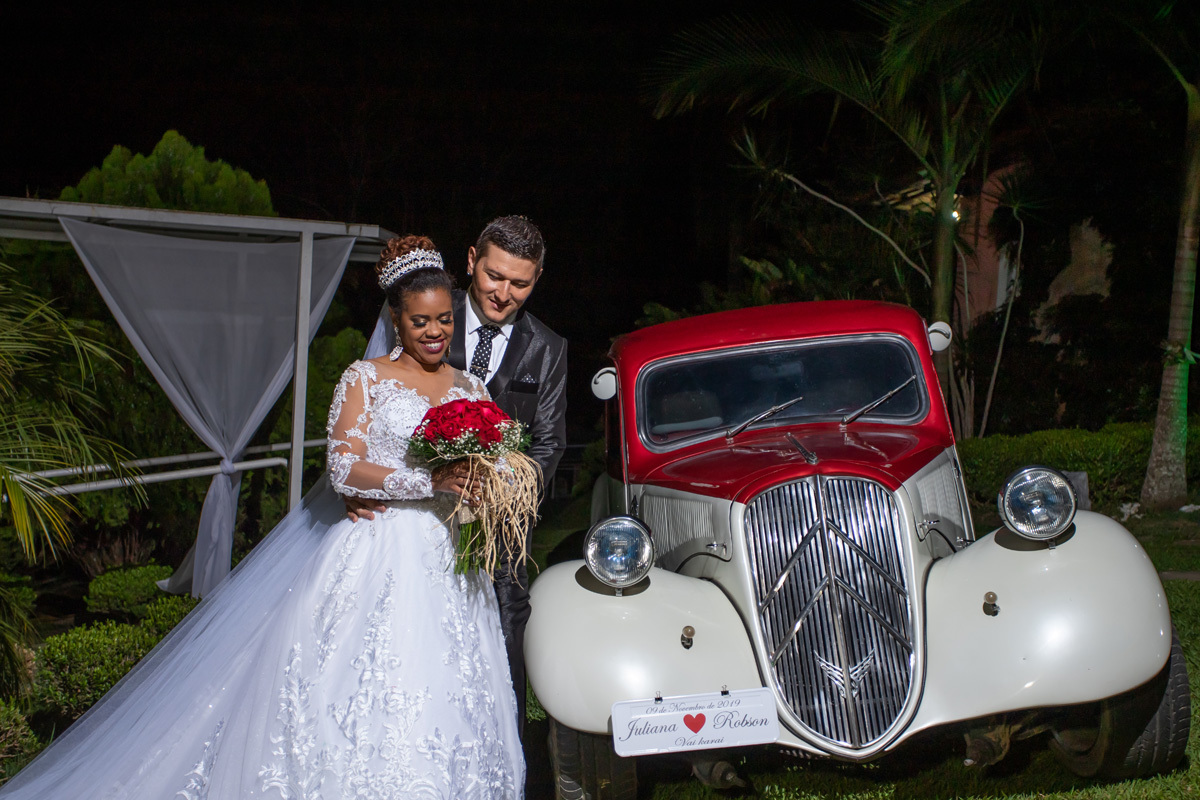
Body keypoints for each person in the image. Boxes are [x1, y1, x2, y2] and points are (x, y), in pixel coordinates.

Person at [0, 237, 524, 798]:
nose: (434, 332)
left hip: (448, 561)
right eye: (420, 320)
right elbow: (345, 469)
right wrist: (430, 481)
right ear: (396, 319)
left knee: (452, 685)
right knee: (358, 686)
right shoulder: (364, 379)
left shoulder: (469, 386)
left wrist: (493, 485)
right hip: (377, 548)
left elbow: (488, 463)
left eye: (444, 319)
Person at [351, 216, 567, 734]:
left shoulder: (549, 347)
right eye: (495, 276)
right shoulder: (423, 315)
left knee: (507, 624)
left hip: (501, 527)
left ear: (536, 280)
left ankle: (502, 751)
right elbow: (371, 410)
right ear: (472, 261)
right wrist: (363, 483)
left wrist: (501, 494)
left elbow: (551, 443)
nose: (503, 293)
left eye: (521, 283)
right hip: (416, 520)